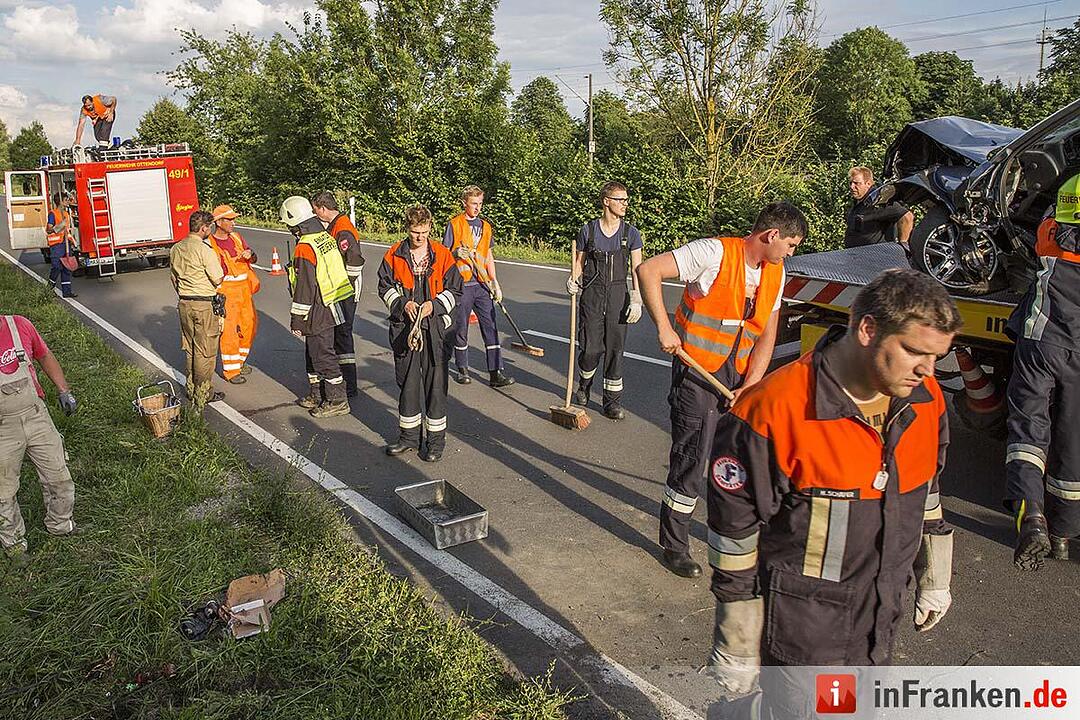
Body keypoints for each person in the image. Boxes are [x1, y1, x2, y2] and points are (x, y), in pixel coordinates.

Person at [706, 269, 961, 717]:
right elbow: (734, 535)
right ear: (867, 329)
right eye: (915, 352)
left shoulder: (926, 400)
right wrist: (737, 641)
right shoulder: (774, 411)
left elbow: (928, 492)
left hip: (879, 618)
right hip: (807, 636)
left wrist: (935, 575)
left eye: (937, 356)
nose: (928, 369)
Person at [636, 202, 804, 578]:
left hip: (739, 376)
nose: (791, 253)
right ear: (772, 235)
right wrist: (664, 327)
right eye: (791, 245)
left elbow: (767, 333)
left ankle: (734, 534)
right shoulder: (713, 253)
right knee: (693, 458)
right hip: (697, 371)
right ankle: (675, 544)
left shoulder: (775, 273)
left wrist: (753, 384)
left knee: (737, 458)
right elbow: (648, 270)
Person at [1005, 174, 1080, 570]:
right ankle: (1063, 536)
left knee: (1027, 434)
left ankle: (1030, 517)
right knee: (1072, 443)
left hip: (1041, 343)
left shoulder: (1049, 233)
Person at [378, 205, 463, 462]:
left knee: (435, 386)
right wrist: (403, 303)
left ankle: (435, 443)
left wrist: (433, 306)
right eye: (415, 232)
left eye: (424, 232)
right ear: (407, 229)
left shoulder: (443, 254)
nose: (420, 237)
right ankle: (408, 438)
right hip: (406, 329)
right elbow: (384, 288)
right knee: (408, 384)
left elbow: (455, 292)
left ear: (430, 229)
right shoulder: (393, 255)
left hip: (436, 330)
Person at [0, 314, 78, 569]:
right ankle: (14, 546)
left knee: (59, 476)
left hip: (36, 415)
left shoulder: (19, 325)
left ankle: (60, 525)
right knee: (3, 492)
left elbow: (44, 355)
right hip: (2, 429)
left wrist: (64, 390)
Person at [565, 181, 644, 419]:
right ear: (606, 201)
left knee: (615, 350)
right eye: (620, 199)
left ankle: (612, 402)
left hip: (619, 295)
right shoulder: (587, 230)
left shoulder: (631, 233)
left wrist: (637, 297)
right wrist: (573, 279)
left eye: (626, 200)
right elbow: (579, 262)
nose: (625, 204)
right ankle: (584, 384)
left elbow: (637, 268)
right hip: (592, 294)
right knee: (590, 348)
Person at [281, 196, 355, 418]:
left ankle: (337, 400)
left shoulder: (305, 246)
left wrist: (297, 319)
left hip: (318, 307)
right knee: (313, 352)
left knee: (322, 355)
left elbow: (305, 288)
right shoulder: (323, 236)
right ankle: (317, 393)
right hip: (332, 302)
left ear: (295, 223)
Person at [443, 185, 514, 388]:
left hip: (482, 284)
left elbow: (488, 256)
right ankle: (462, 369)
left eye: (480, 203)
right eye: (474, 203)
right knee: (461, 327)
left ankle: (495, 372)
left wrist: (495, 283)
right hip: (462, 284)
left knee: (490, 326)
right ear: (464, 203)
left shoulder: (486, 227)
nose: (477, 208)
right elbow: (444, 254)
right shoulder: (454, 224)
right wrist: (456, 253)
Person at [311, 192, 366, 398]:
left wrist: (345, 288)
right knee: (340, 334)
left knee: (342, 335)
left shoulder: (342, 229)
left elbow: (354, 261)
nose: (315, 213)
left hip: (346, 289)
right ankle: (345, 382)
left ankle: (349, 385)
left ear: (323, 208)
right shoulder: (336, 225)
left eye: (315, 209)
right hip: (343, 287)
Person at [170, 210, 225, 409]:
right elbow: (217, 278)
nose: (210, 230)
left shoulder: (176, 248)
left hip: (184, 303)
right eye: (209, 227)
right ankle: (203, 394)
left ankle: (191, 387)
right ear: (203, 228)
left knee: (191, 347)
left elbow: (174, 278)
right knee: (206, 351)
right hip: (203, 304)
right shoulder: (204, 250)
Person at [208, 204, 259, 384]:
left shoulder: (237, 238)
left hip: (244, 292)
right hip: (226, 294)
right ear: (219, 222)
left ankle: (239, 361)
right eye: (230, 220)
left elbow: (254, 257)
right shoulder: (210, 244)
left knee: (249, 327)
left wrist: (250, 254)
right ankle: (231, 371)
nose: (233, 223)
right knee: (229, 332)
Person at [844, 166, 914, 250]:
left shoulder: (879, 201)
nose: (852, 187)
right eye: (850, 183)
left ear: (868, 184)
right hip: (856, 257)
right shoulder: (858, 202)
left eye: (856, 183)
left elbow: (907, 216)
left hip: (876, 257)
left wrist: (903, 246)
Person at [46, 194, 77, 298]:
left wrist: (72, 241)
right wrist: (59, 226)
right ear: (60, 201)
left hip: (66, 244)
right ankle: (49, 289)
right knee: (56, 267)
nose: (68, 202)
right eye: (66, 200)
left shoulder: (66, 214)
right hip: (56, 245)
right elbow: (49, 230)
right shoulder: (53, 214)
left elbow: (67, 230)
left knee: (66, 268)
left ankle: (67, 292)